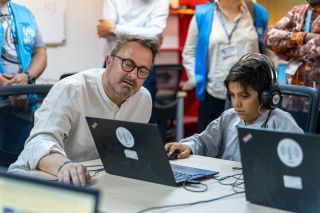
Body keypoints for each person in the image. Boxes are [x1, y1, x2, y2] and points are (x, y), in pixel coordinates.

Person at [8, 34, 160, 186]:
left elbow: (125, 152)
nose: (133, 75)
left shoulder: (143, 100)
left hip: (96, 179)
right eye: (128, 64)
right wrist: (64, 166)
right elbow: (38, 142)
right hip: (38, 178)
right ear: (109, 62)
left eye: (143, 71)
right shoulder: (71, 89)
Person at [165, 53, 303, 162]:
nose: (236, 103)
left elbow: (302, 157)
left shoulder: (281, 122)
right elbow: (203, 142)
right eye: (232, 95)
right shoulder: (229, 117)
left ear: (265, 96)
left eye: (244, 96)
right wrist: (188, 146)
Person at [182, 0, 268, 132]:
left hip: (251, 96)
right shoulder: (202, 15)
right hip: (213, 94)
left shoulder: (257, 12)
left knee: (245, 145)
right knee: (210, 147)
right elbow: (189, 51)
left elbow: (267, 51)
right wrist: (197, 79)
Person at [0, 0, 47, 167]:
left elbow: (40, 52)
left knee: (20, 167)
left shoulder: (24, 13)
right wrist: (7, 86)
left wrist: (27, 77)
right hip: (4, 102)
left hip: (24, 107)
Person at [97, 0, 169, 103]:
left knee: (142, 114)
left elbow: (153, 34)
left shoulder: (161, 1)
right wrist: (147, 34)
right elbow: (105, 31)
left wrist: (115, 29)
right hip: (116, 62)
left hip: (144, 67)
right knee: (105, 111)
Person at [265, 0, 320, 88]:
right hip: (293, 92)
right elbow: (268, 36)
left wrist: (292, 51)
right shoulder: (297, 11)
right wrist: (304, 37)